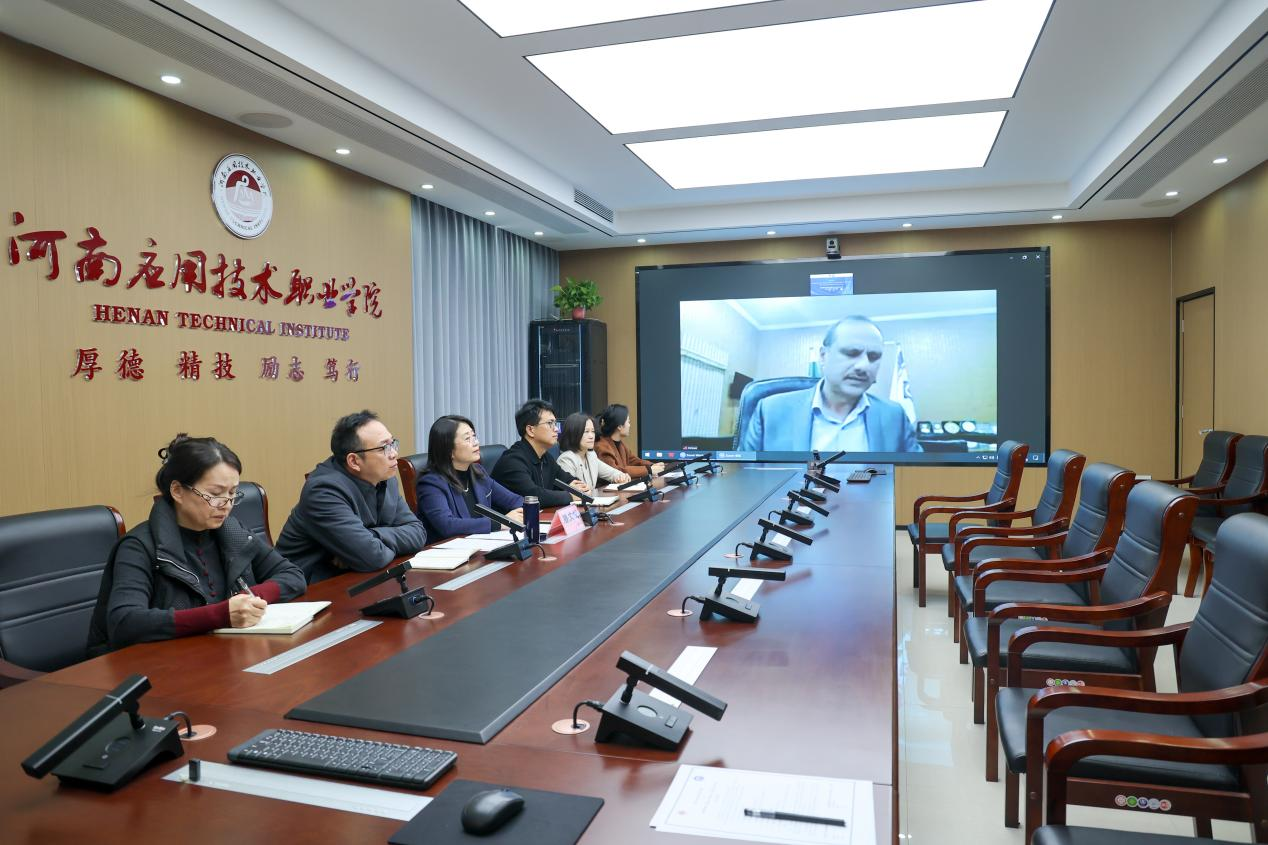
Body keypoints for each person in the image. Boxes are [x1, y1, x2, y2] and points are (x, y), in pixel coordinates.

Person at [86, 434, 306, 656]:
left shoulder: (231, 531)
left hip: (219, 654)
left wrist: (249, 599)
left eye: (232, 493)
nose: (226, 505)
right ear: (177, 491)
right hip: (156, 663)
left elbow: (292, 575)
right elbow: (125, 622)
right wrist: (221, 614)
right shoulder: (140, 546)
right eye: (215, 494)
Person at [276, 410, 428, 583]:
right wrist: (371, 545)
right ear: (354, 461)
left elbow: (418, 533)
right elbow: (372, 556)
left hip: (359, 577)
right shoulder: (323, 491)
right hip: (310, 587)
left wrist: (371, 536)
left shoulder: (385, 477)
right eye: (383, 448)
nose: (393, 453)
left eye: (392, 443)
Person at [739, 316, 922, 453]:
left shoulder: (895, 415)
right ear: (823, 356)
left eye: (873, 357)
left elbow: (917, 476)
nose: (863, 366)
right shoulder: (770, 411)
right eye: (851, 353)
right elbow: (743, 477)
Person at [416, 415, 524, 541]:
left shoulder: (478, 473)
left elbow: (515, 500)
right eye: (467, 439)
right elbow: (447, 525)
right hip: (451, 550)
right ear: (449, 450)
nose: (476, 442)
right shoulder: (431, 484)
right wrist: (501, 522)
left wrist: (525, 511)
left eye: (474, 436)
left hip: (482, 545)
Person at [491, 399, 589, 508]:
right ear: (530, 430)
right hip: (510, 519)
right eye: (550, 423)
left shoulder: (545, 457)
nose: (556, 429)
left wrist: (579, 488)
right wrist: (570, 496)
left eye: (555, 423)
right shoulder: (512, 461)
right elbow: (533, 495)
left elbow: (567, 480)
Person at [557, 412, 631, 490]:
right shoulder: (566, 459)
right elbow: (572, 491)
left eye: (593, 431)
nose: (591, 436)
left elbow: (612, 473)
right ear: (573, 433)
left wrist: (621, 476)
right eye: (586, 431)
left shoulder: (591, 455)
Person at [595, 403, 664, 480]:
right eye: (628, 422)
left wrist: (652, 466)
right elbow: (616, 471)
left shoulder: (620, 444)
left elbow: (634, 460)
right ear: (619, 426)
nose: (629, 425)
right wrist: (649, 469)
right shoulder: (602, 447)